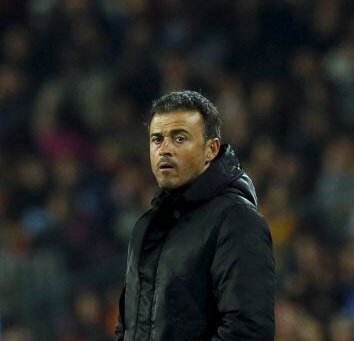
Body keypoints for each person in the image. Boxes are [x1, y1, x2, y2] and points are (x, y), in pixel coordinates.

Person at [115, 90, 275, 340]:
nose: (164, 149)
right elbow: (127, 328)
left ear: (211, 149)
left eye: (179, 138)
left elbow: (247, 331)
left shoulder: (237, 220)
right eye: (157, 139)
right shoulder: (146, 227)